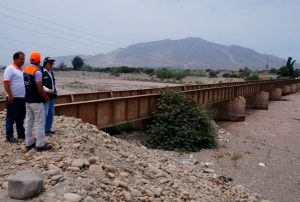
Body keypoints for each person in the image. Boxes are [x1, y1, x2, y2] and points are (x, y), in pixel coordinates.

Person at [23, 52, 52, 151]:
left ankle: (29, 142)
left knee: (29, 122)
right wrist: (46, 97)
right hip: (36, 101)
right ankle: (40, 144)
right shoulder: (37, 72)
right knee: (40, 122)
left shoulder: (25, 69)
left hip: (28, 100)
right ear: (39, 61)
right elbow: (40, 88)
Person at [3, 51, 26, 143]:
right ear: (15, 59)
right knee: (11, 118)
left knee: (20, 118)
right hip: (14, 98)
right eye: (21, 59)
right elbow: (6, 83)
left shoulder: (22, 70)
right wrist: (10, 95)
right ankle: (9, 136)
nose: (23, 61)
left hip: (22, 98)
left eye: (24, 59)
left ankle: (21, 134)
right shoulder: (10, 69)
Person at [42, 57, 57, 134]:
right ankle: (42, 130)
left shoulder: (51, 72)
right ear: (45, 63)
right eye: (49, 63)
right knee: (45, 114)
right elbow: (39, 85)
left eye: (52, 63)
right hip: (45, 97)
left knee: (51, 113)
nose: (51, 65)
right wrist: (48, 90)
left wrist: (55, 91)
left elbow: (53, 83)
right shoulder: (41, 72)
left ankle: (47, 129)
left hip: (51, 97)